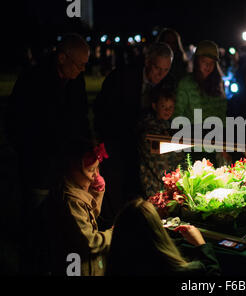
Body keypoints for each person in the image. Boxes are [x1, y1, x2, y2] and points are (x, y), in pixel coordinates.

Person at [5, 33, 91, 273]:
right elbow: (15, 122)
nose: (83, 69)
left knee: (59, 222)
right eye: (79, 64)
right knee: (35, 221)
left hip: (66, 166)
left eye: (86, 64)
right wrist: (32, 153)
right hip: (39, 166)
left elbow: (80, 117)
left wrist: (85, 146)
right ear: (62, 57)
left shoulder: (75, 81)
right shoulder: (33, 79)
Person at [93, 42, 174, 227]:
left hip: (143, 149)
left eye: (165, 70)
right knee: (115, 189)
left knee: (137, 193)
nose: (160, 75)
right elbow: (102, 110)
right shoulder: (123, 77)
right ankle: (111, 231)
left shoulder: (165, 84)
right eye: (157, 68)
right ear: (147, 61)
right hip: (117, 141)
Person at [106, 198, 221, 276]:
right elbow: (213, 274)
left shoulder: (117, 265)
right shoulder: (178, 270)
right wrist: (201, 244)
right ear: (157, 231)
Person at [50, 138, 113, 276]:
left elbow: (92, 215)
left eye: (97, 168)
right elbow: (89, 242)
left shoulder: (79, 188)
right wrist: (113, 233)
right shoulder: (71, 201)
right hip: (78, 267)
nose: (95, 175)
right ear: (73, 168)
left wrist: (97, 193)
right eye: (91, 169)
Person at [137, 87, 184, 198]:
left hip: (169, 178)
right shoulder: (147, 126)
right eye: (163, 107)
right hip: (152, 180)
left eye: (170, 107)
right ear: (155, 106)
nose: (167, 110)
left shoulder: (172, 126)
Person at [173, 40, 226, 123]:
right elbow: (178, 113)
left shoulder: (218, 83)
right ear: (197, 61)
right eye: (204, 61)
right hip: (190, 133)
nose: (208, 66)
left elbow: (222, 114)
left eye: (212, 62)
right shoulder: (186, 83)